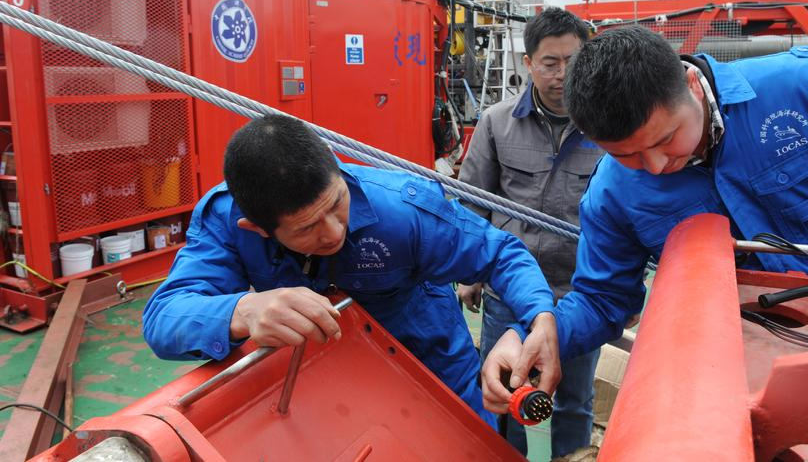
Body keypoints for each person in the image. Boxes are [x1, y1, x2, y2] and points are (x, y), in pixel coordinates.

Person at [481, 24, 808, 412]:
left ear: (691, 85)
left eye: (665, 139)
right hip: (732, 373)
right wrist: (536, 334)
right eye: (628, 156)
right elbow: (602, 299)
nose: (658, 165)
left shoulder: (804, 88)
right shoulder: (612, 193)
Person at [142, 114, 560, 428]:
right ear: (257, 229)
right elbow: (164, 319)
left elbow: (502, 254)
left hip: (433, 365)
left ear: (337, 170)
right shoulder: (226, 220)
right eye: (307, 227)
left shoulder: (403, 209)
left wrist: (539, 320)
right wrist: (243, 311)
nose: (334, 231)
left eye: (336, 203)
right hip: (320, 381)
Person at [456, 7, 602, 458]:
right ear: (528, 64)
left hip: (580, 295)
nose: (562, 75)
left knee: (574, 402)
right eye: (550, 64)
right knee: (504, 394)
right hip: (509, 296)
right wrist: (470, 272)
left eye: (573, 63)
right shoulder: (496, 123)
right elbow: (473, 201)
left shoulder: (607, 126)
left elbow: (630, 218)